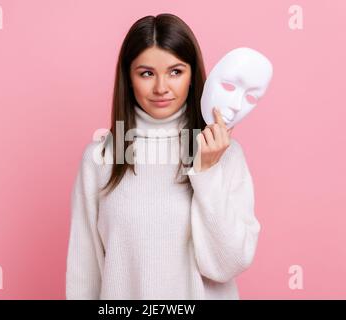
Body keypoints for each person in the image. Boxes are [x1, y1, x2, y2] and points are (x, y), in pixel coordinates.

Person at [65, 13, 261, 300]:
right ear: (128, 78)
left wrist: (207, 171)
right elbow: (84, 273)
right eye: (146, 73)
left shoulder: (224, 153)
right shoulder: (101, 156)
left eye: (175, 72)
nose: (161, 88)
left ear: (193, 76)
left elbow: (227, 264)